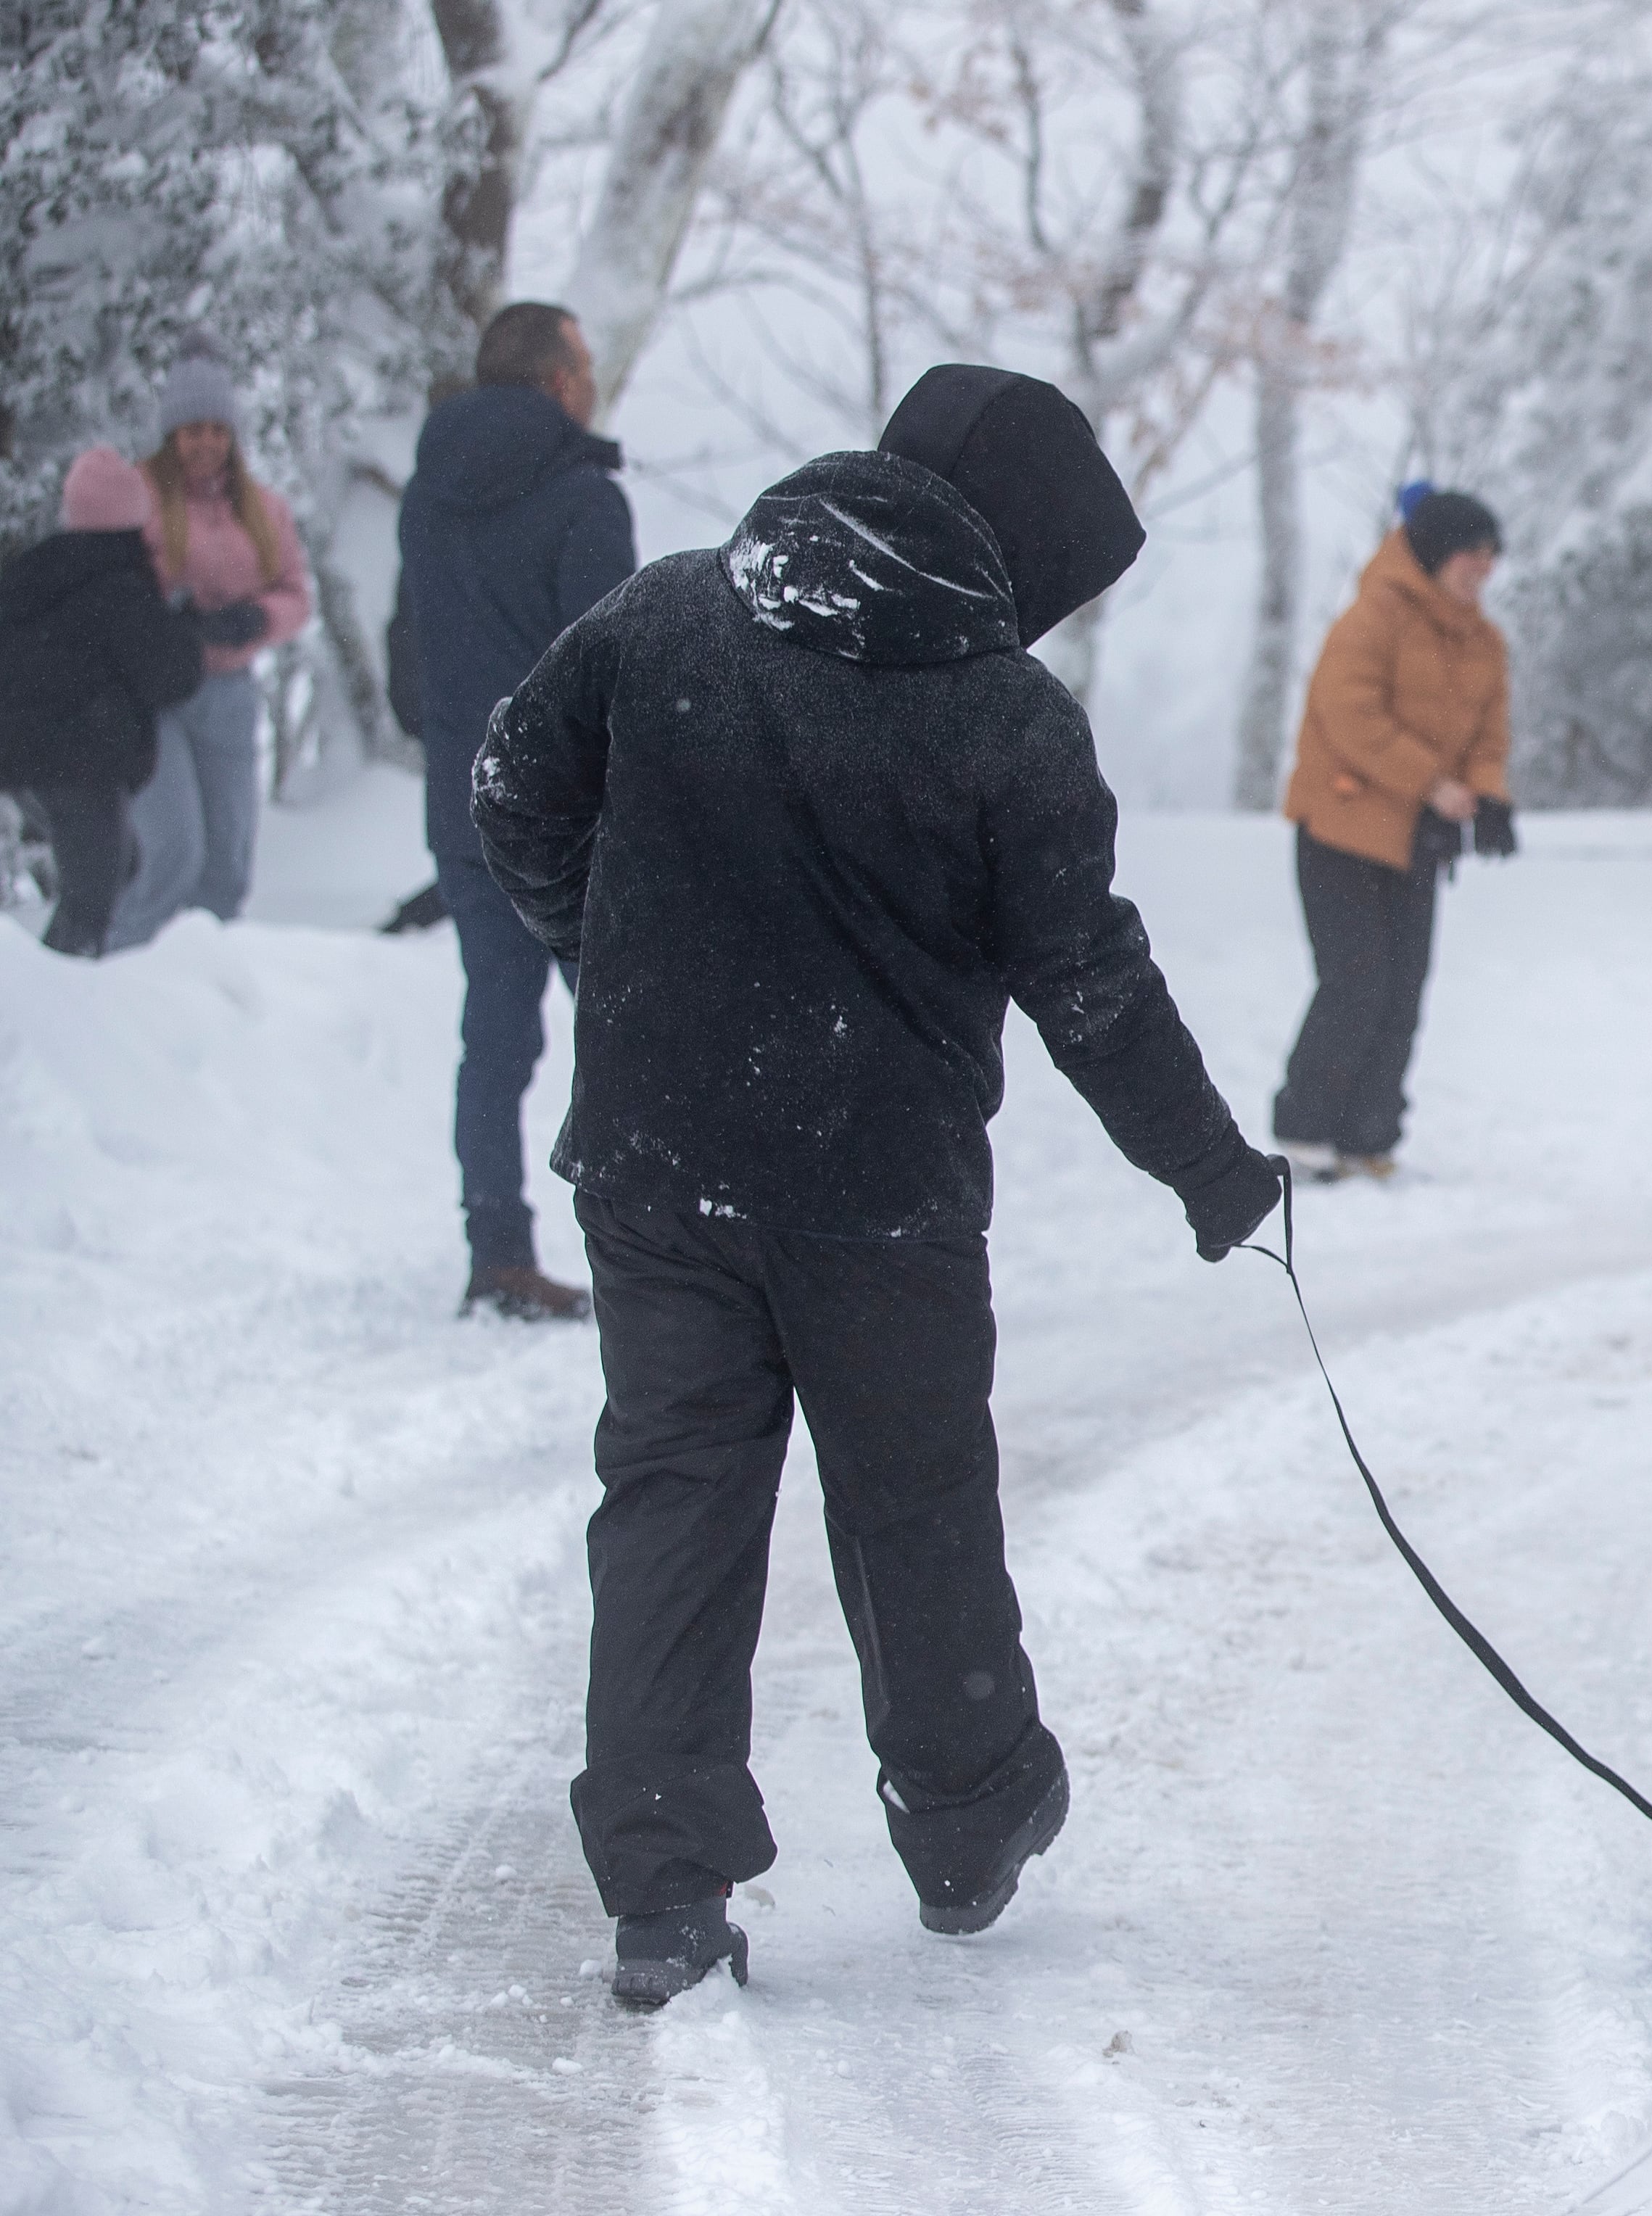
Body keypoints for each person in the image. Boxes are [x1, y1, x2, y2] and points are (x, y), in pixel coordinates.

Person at [476, 363, 1286, 2009]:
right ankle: (965, 1814)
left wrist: (615, 970)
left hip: (655, 1162)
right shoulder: (1005, 722)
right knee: (911, 1500)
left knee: (677, 1495)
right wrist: (1214, 1173)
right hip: (878, 1198)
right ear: (1013, 546)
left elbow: (511, 784)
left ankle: (662, 1884)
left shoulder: (668, 616)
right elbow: (1093, 988)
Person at [399, 302, 636, 1319]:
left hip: (465, 798)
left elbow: (408, 653)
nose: (592, 380)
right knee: (629, 1026)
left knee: (492, 1031)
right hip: (572, 813)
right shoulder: (583, 496)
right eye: (585, 362)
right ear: (557, 382)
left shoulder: (426, 497)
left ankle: (496, 1251)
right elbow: (611, 666)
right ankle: (651, 1248)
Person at [1271, 488, 1516, 1181]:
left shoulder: (1484, 641)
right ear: (1438, 551)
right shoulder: (1373, 616)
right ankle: (1304, 1132)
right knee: (1355, 981)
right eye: (1473, 553)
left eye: (1492, 556)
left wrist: (1490, 795)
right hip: (1341, 831)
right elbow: (1347, 715)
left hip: (1417, 840)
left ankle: (1368, 1138)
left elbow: (1490, 734)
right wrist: (1431, 783)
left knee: (1404, 988)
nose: (1483, 568)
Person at [108, 349, 310, 948]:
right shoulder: (139, 498)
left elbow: (296, 595)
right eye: (195, 430)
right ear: (173, 434)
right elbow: (109, 590)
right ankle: (115, 976)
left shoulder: (262, 507)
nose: (207, 444)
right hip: (158, 697)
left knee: (227, 862)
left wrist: (256, 618)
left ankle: (206, 990)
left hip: (230, 693)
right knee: (174, 851)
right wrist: (170, 622)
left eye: (219, 430)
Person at [0, 450, 207, 954]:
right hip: (79, 760)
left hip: (27, 757)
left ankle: (91, 991)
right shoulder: (119, 586)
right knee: (92, 898)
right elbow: (170, 676)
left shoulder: (38, 570)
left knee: (122, 868)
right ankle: (61, 1006)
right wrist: (190, 627)